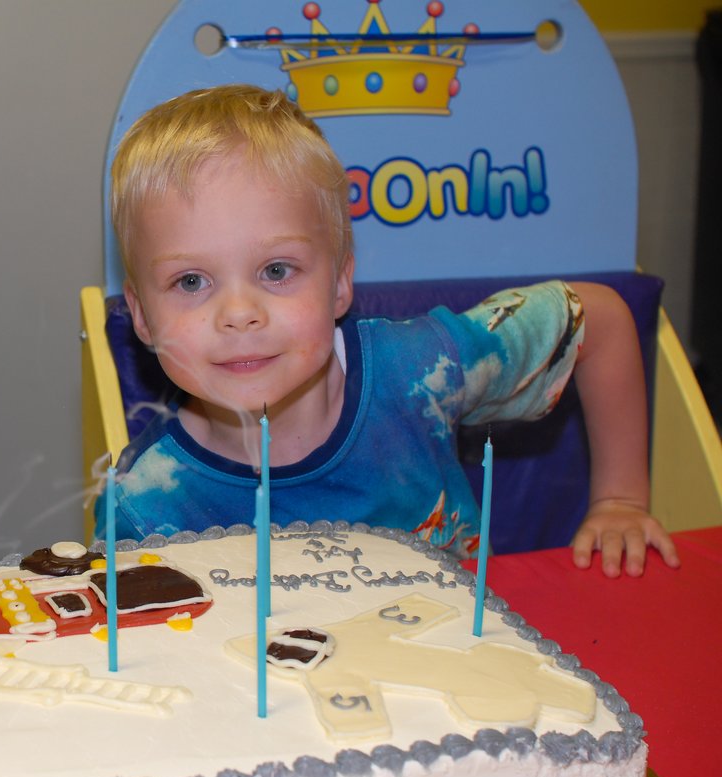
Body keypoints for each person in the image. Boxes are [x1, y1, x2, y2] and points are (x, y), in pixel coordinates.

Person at [97, 83, 678, 579]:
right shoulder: (144, 505)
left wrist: (620, 500)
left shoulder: (424, 370)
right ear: (143, 318)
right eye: (192, 281)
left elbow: (596, 316)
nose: (239, 312)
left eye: (277, 271)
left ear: (340, 284)